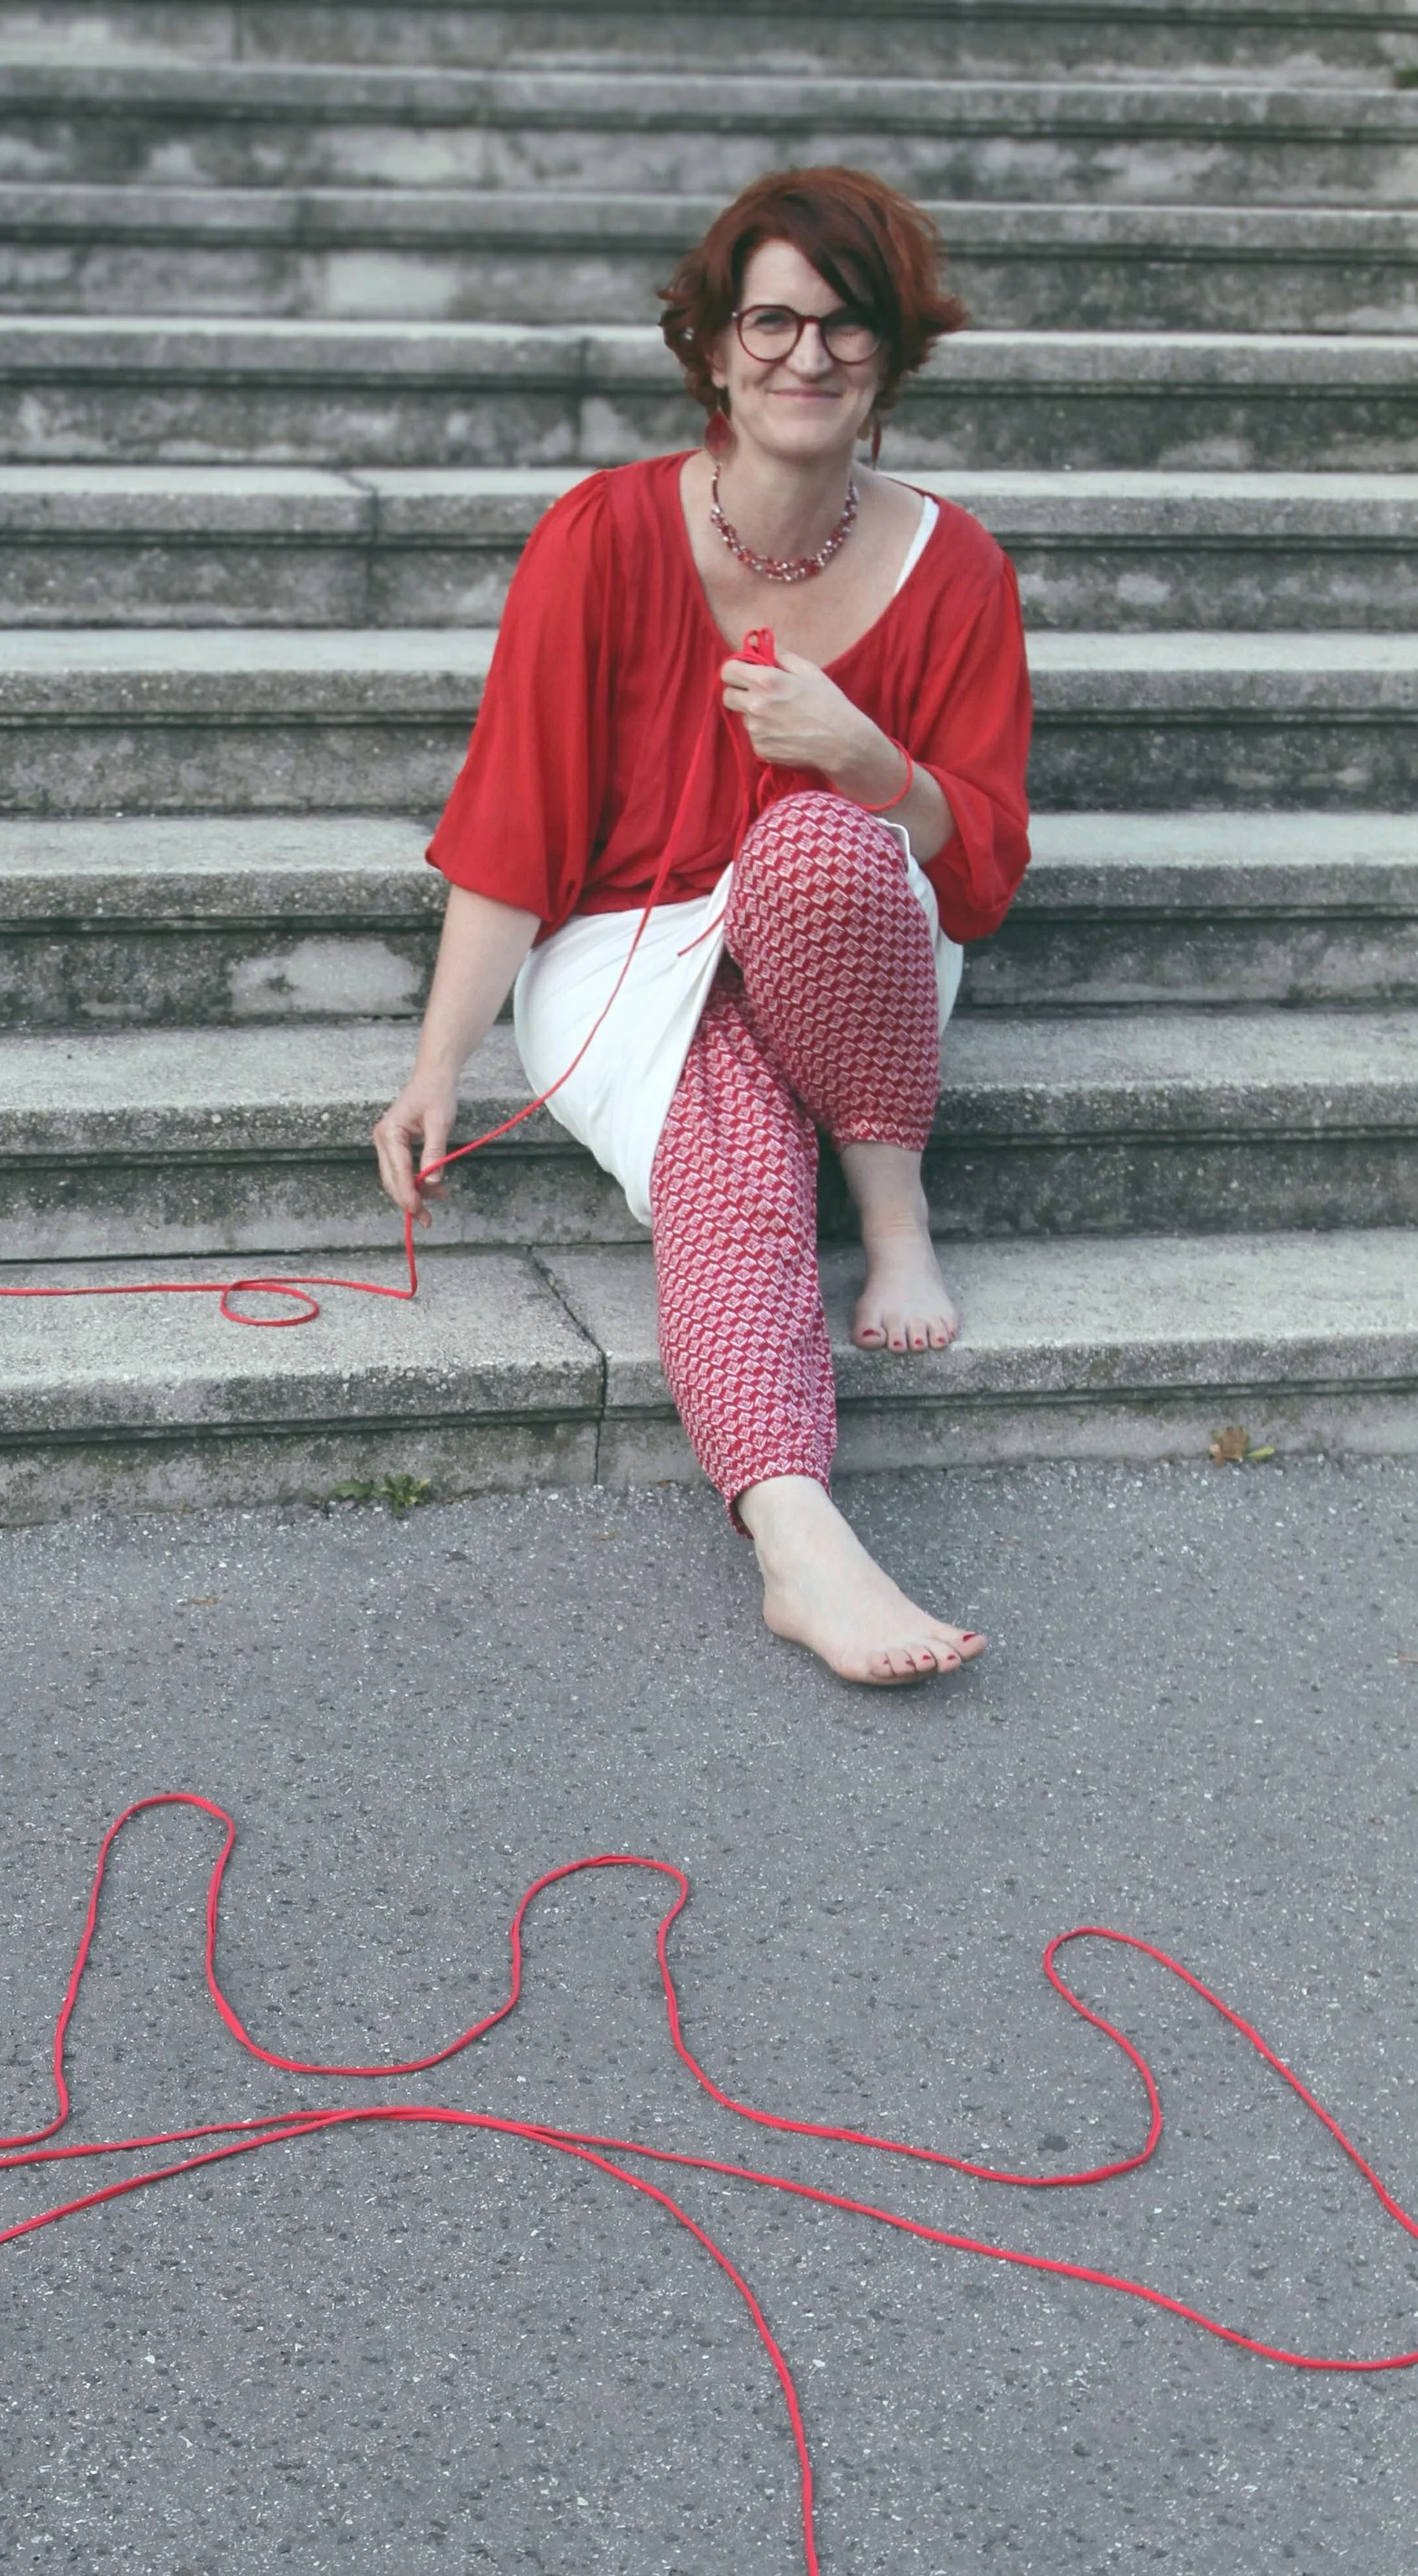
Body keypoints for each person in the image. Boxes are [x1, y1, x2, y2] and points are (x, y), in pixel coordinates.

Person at [371, 166, 1032, 1686]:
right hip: (627, 947)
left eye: (848, 326)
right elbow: (517, 826)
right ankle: (795, 1530)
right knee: (728, 1114)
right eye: (773, 321)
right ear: (717, 347)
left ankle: (891, 1215)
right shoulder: (601, 536)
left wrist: (873, 764)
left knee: (815, 842)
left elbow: (983, 867)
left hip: (851, 924)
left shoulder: (958, 569)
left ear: (891, 356)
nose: (809, 356)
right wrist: (437, 1066)